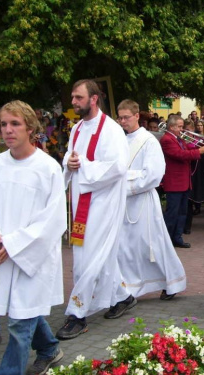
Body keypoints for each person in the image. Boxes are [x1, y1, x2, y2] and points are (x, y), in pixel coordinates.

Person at [0, 101, 67, 375]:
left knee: (18, 323)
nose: (8, 130)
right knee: (23, 310)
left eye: (15, 124)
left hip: (33, 256)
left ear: (30, 128)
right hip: (3, 252)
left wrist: (13, 244)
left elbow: (53, 220)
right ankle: (49, 349)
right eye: (3, 124)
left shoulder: (47, 167)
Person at [56, 79, 132, 340]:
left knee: (88, 258)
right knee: (89, 255)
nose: (73, 102)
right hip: (81, 203)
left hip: (103, 205)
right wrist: (70, 160)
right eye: (73, 97)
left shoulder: (111, 130)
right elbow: (70, 156)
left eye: (78, 98)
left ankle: (77, 314)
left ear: (94, 99)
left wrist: (84, 166)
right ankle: (123, 296)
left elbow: (118, 167)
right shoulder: (77, 128)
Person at [113, 99, 186, 306]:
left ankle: (173, 282)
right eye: (120, 117)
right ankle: (129, 287)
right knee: (126, 246)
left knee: (152, 244)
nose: (123, 121)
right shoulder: (119, 140)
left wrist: (123, 183)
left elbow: (153, 174)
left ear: (137, 116)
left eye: (126, 117)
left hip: (143, 200)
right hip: (124, 203)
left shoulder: (148, 141)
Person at [160, 115, 204, 248]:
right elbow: (180, 155)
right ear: (171, 127)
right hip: (175, 183)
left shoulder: (178, 139)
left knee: (182, 213)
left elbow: (187, 150)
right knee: (172, 213)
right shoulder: (167, 140)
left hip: (184, 182)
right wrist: (199, 151)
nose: (182, 130)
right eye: (180, 127)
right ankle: (167, 240)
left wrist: (202, 145)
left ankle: (177, 237)